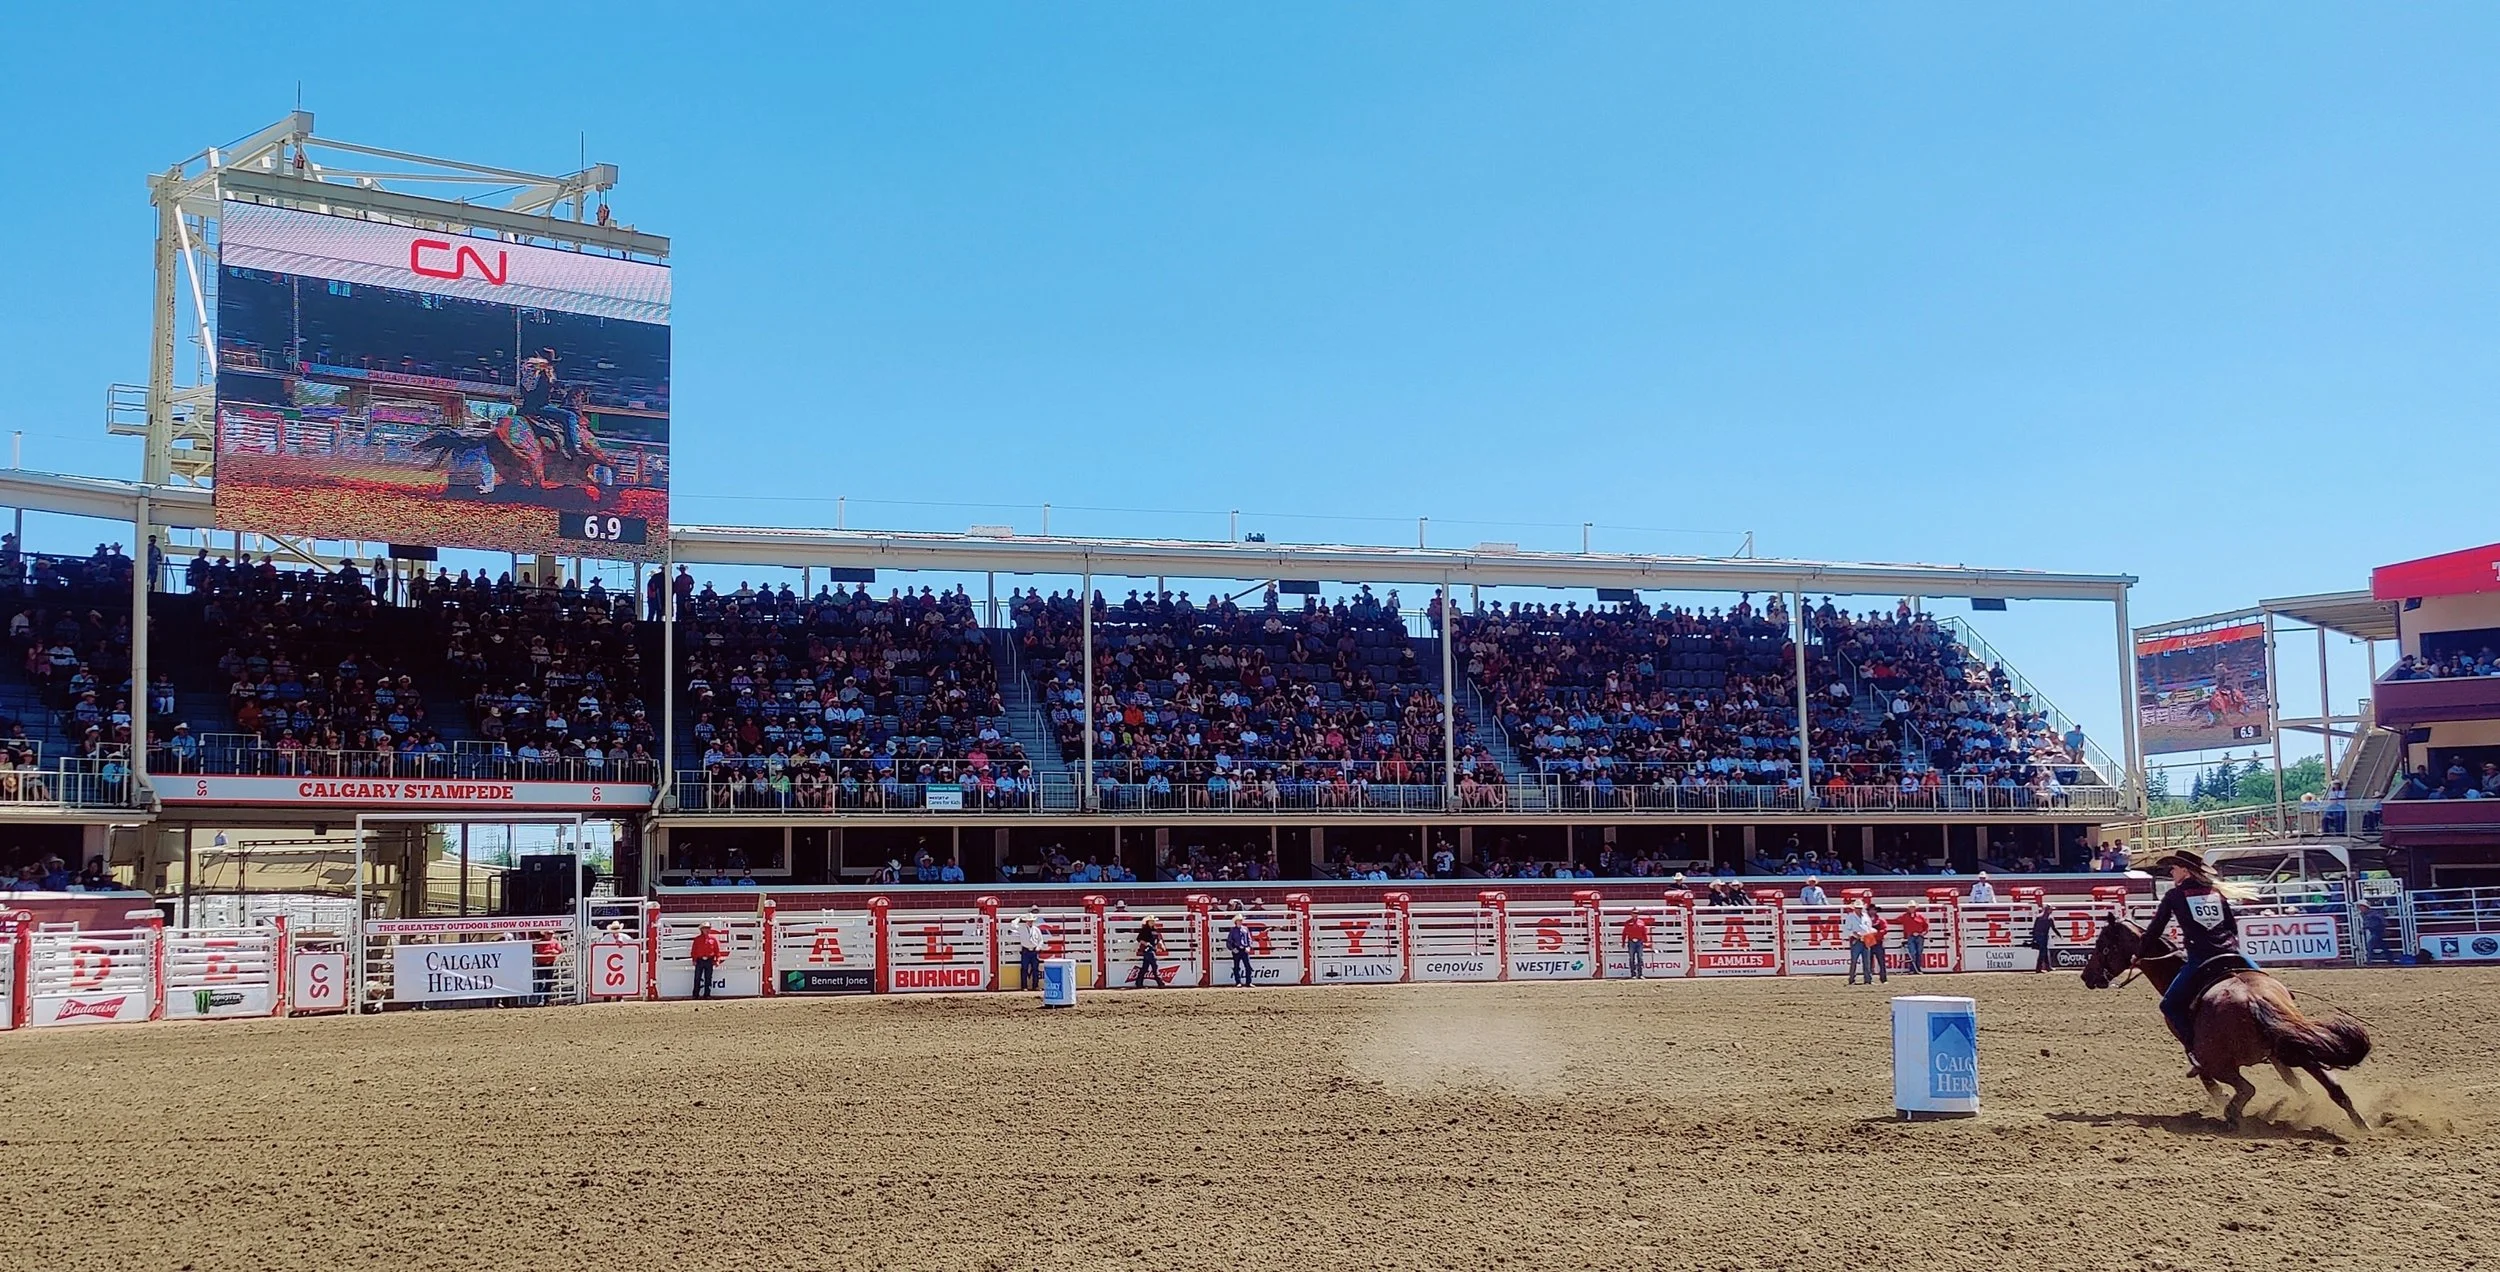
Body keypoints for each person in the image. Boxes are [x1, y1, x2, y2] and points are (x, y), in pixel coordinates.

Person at [2139, 850, 2244, 1076]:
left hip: (2201, 958)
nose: (2171, 872)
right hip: (2232, 955)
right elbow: (2231, 927)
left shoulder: (2174, 896)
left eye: (2174, 868)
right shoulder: (2216, 892)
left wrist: (2139, 953)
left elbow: (2155, 930)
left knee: (2169, 1006)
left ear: (2185, 871)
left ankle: (2196, 1051)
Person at [1010, 906, 1048, 992]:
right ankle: (1024, 986)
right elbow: (1012, 925)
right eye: (1029, 920)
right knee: (1024, 968)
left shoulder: (1036, 929)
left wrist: (1038, 947)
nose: (1030, 922)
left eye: (1031, 921)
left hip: (1034, 951)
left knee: (1035, 969)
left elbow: (1041, 940)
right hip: (1026, 950)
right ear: (1026, 921)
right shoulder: (1021, 928)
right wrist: (1018, 918)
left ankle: (1035, 986)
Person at [1841, 903, 1877, 985]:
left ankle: (1868, 979)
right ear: (1854, 908)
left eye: (1860, 908)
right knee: (1854, 960)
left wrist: (1871, 932)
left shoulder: (1865, 916)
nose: (1859, 909)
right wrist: (1854, 934)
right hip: (1856, 940)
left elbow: (1869, 927)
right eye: (1857, 908)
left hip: (1866, 939)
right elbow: (1846, 930)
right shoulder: (1850, 917)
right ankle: (1852, 979)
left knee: (1867, 960)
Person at [689, 923, 726, 999]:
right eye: (705, 928)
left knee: (708, 977)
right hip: (699, 960)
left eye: (708, 928)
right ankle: (695, 995)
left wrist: (717, 960)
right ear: (701, 929)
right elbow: (694, 950)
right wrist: (694, 959)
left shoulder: (713, 939)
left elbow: (717, 951)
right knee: (697, 977)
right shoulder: (697, 939)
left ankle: (707, 995)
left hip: (709, 960)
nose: (707, 930)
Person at [1133, 915, 1167, 988]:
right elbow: (1139, 939)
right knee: (1154, 965)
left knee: (1145, 967)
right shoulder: (1144, 930)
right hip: (1147, 949)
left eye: (1153, 921)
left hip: (1152, 949)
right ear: (1147, 922)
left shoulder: (1154, 930)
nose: (1153, 922)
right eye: (1151, 921)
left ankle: (1139, 983)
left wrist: (1160, 944)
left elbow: (1158, 939)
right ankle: (1159, 982)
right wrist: (1146, 943)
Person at [1621, 909, 1653, 979]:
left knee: (1640, 958)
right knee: (1632, 958)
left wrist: (1646, 941)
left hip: (1639, 941)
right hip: (1631, 941)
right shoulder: (1628, 923)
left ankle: (1640, 974)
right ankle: (1633, 974)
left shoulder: (1641, 922)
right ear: (1631, 914)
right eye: (1634, 913)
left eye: (1636, 913)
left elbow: (1644, 933)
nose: (1635, 915)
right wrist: (1623, 942)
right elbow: (1624, 933)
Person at [1226, 913, 1256, 987]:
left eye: (1241, 920)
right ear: (1236, 921)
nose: (1240, 921)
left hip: (1244, 949)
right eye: (1239, 920)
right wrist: (1232, 949)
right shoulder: (1233, 930)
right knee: (1236, 967)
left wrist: (1249, 947)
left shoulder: (1245, 929)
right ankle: (1238, 982)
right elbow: (1229, 941)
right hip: (1237, 949)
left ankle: (1248, 982)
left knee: (1248, 966)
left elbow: (1249, 939)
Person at [1899, 903, 1929, 974]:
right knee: (1912, 952)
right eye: (1910, 907)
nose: (1911, 908)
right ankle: (1912, 969)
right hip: (1910, 936)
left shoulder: (1920, 916)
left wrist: (1922, 934)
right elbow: (1896, 921)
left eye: (1913, 907)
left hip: (1919, 936)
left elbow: (1926, 926)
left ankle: (1917, 968)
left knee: (1919, 953)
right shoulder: (1904, 916)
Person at [2030, 906, 2056, 973]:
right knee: (2043, 952)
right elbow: (2054, 928)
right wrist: (2059, 935)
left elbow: (2034, 928)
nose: (2052, 911)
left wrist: (2034, 938)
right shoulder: (2050, 918)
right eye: (2051, 910)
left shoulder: (2039, 917)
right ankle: (2039, 968)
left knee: (2044, 951)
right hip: (2044, 936)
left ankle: (2048, 967)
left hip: (2039, 936)